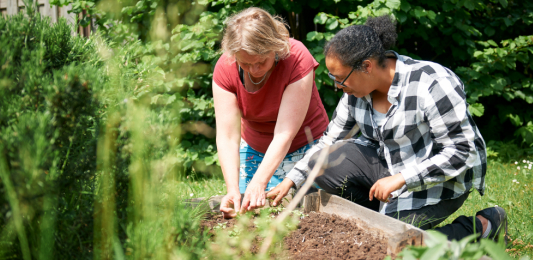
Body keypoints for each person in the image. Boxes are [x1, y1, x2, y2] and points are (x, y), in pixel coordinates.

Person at [268, 15, 508, 242]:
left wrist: (402, 179)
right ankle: (381, 217)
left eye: (341, 78)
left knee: (394, 242)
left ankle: (484, 225)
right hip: (392, 167)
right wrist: (291, 180)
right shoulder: (356, 93)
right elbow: (329, 140)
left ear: (367, 66)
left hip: (440, 181)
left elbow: (462, 152)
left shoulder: (432, 83)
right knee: (323, 162)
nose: (338, 86)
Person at [212, 7, 329, 218]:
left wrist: (259, 181)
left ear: (275, 47)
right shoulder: (225, 67)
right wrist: (232, 189)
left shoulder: (296, 57)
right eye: (246, 63)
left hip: (305, 145)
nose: (255, 70)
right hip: (256, 147)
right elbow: (228, 137)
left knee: (301, 210)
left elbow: (285, 132)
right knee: (246, 207)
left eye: (261, 62)